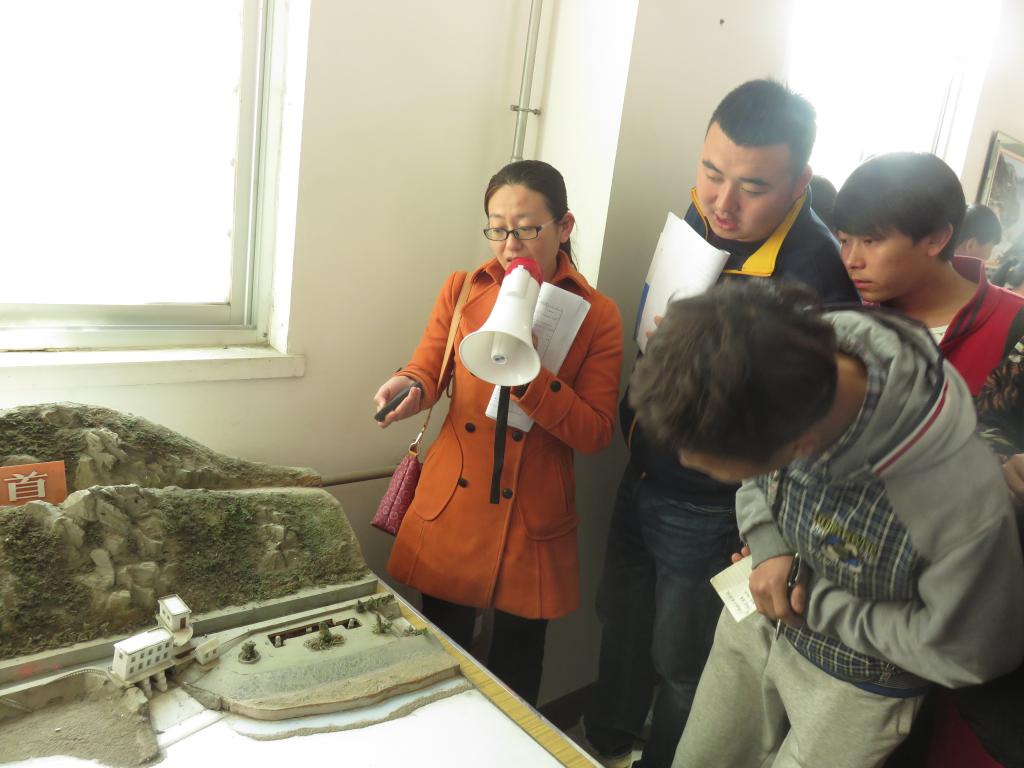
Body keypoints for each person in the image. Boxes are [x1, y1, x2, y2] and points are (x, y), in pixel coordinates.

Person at [627, 280, 1024, 768]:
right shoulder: (791, 349)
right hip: (757, 619)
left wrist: (820, 602)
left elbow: (973, 652)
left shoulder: (956, 500)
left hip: (855, 684)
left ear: (804, 451)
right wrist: (769, 543)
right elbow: (756, 477)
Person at [582, 79, 857, 768]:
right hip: (645, 469)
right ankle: (600, 744)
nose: (721, 202)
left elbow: (806, 434)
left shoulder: (811, 278)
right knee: (619, 619)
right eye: (710, 172)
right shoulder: (705, 217)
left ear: (800, 184)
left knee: (683, 661)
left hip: (711, 505)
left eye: (752, 187)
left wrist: (768, 532)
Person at [373, 159, 623, 706]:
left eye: (527, 229)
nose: (510, 245)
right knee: (439, 663)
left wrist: (530, 374)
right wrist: (409, 385)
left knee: (516, 674)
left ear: (564, 226)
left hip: (532, 517)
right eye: (498, 228)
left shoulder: (597, 314)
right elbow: (428, 369)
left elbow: (596, 432)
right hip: (454, 504)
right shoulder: (464, 288)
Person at [834, 152, 1024, 396]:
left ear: (936, 239)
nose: (851, 260)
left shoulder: (1014, 326)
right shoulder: (855, 322)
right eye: (844, 241)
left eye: (870, 241)